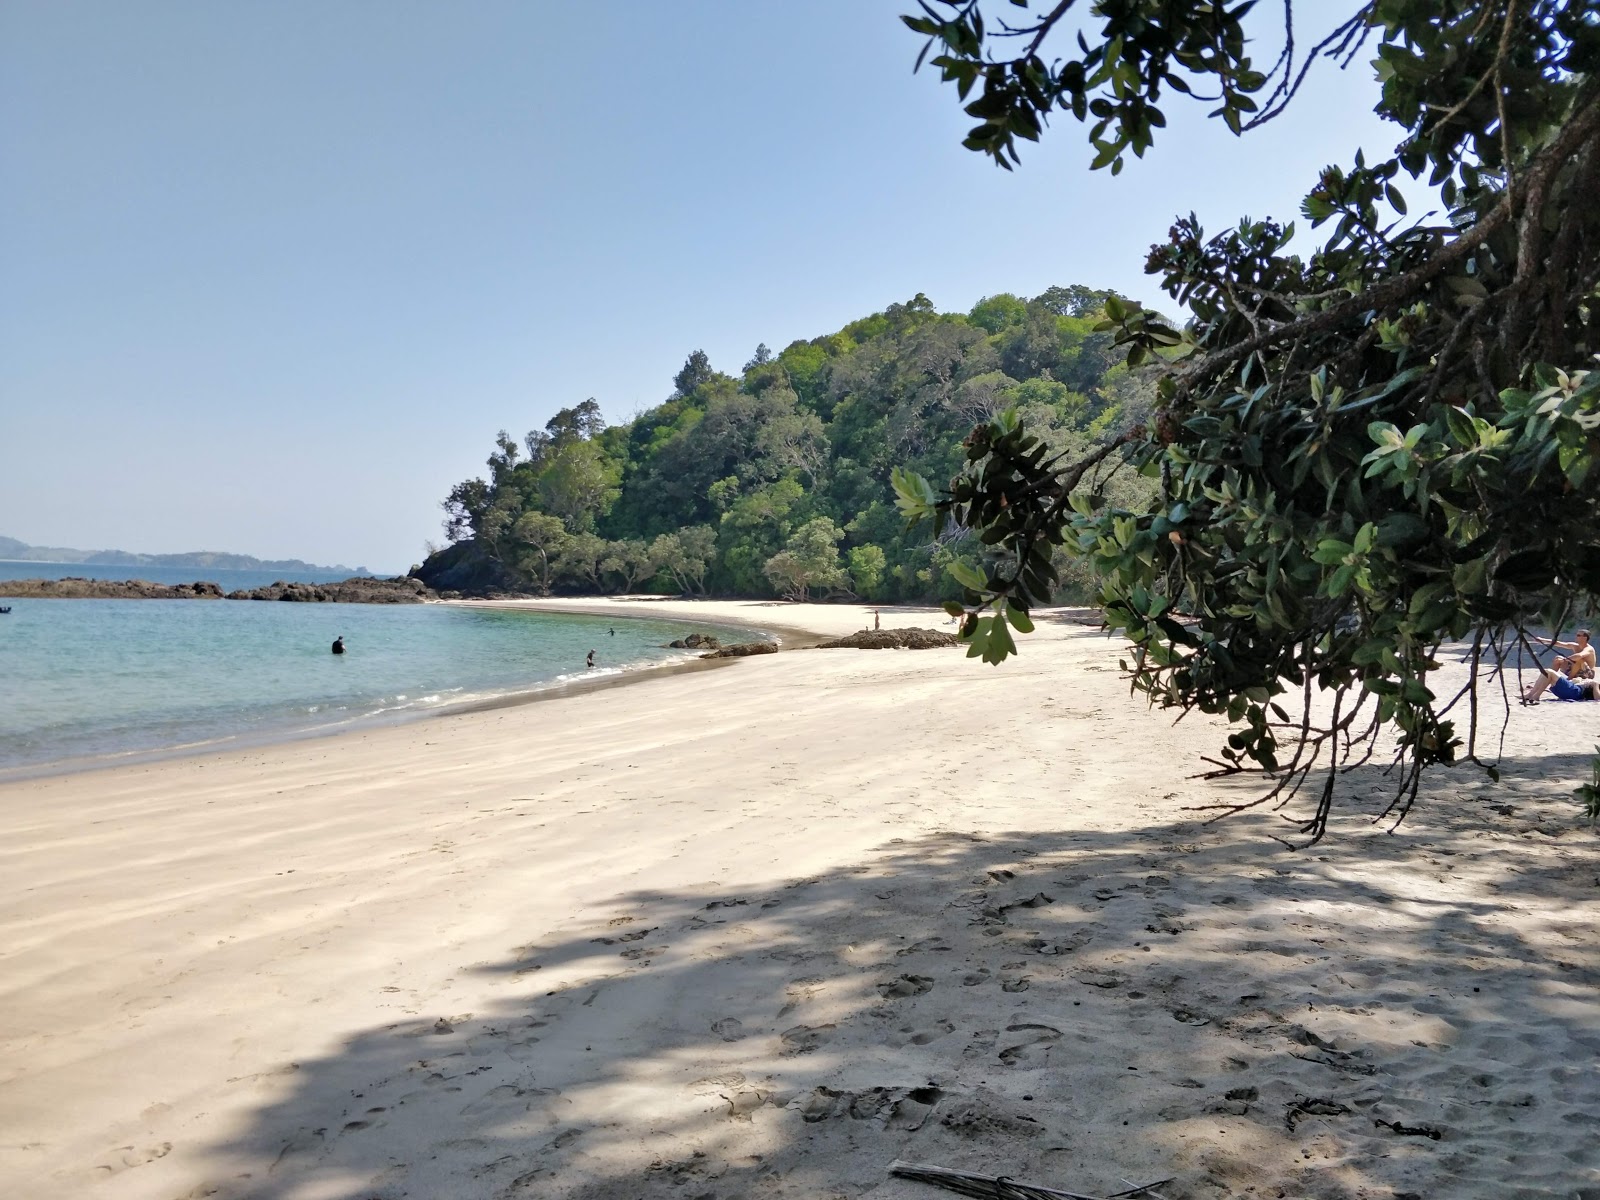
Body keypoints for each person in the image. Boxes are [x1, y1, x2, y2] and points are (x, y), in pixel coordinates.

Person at [1522, 656, 1600, 703]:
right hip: (1571, 690)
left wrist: (1595, 684)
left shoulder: (1596, 686)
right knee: (1547, 673)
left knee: (1549, 672)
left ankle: (1535, 696)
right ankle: (1531, 695)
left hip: (1574, 691)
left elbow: (1598, 699)